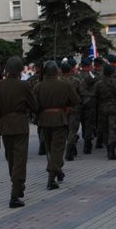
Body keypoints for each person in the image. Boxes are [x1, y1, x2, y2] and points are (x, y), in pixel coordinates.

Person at [0, 57, 37, 208]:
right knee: (20, 160)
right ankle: (15, 194)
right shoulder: (24, 85)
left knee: (11, 158)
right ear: (20, 70)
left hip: (5, 125)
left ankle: (17, 185)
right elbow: (34, 105)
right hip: (20, 125)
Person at [34, 61, 80, 190]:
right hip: (60, 119)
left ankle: (57, 171)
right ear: (57, 71)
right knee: (57, 149)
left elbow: (34, 105)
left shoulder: (38, 86)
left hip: (44, 120)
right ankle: (51, 178)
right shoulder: (65, 85)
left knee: (50, 149)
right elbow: (75, 100)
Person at [95, 64, 116, 160]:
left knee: (105, 129)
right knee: (113, 128)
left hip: (102, 108)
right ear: (112, 73)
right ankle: (112, 149)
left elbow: (94, 96)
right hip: (114, 108)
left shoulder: (98, 84)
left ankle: (108, 148)